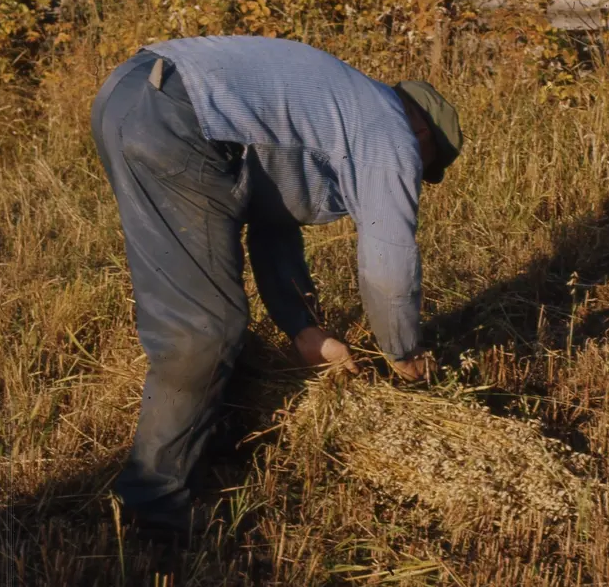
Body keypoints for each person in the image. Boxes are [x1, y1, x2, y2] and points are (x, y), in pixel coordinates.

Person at [90, 35, 462, 532]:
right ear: (421, 129)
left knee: (208, 299)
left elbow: (271, 215)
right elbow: (389, 263)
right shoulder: (388, 129)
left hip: (129, 95)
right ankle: (153, 507)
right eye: (424, 164)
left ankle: (219, 434)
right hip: (175, 112)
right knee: (204, 326)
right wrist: (403, 352)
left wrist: (303, 327)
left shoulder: (331, 106)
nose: (414, 177)